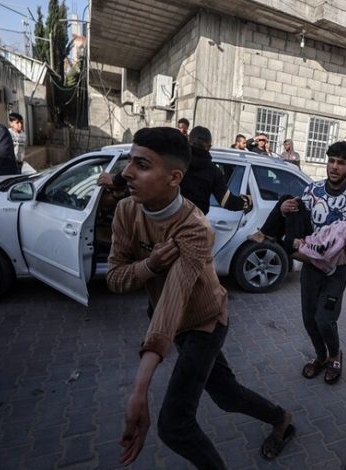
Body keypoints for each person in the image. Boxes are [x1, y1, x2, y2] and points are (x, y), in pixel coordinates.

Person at [107, 127, 295, 469]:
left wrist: (140, 389)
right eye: (129, 162)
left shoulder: (195, 228)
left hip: (204, 323)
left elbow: (174, 298)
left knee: (174, 426)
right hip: (170, 323)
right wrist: (150, 265)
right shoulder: (126, 211)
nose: (127, 173)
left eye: (142, 165)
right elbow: (115, 278)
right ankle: (281, 418)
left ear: (174, 177)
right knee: (226, 395)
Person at [283, 141, 346, 385]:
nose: (334, 167)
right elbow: (298, 222)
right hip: (311, 266)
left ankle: (334, 356)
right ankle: (321, 356)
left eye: (341, 163)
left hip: (337, 270)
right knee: (309, 318)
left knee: (325, 319)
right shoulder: (312, 191)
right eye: (331, 161)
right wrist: (283, 209)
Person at [97, 126, 252, 215]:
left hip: (160, 217)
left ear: (189, 140)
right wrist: (247, 201)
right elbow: (227, 202)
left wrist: (115, 180)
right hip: (191, 224)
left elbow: (141, 167)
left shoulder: (173, 160)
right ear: (209, 147)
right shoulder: (213, 171)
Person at [250, 201, 346, 274]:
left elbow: (324, 251)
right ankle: (266, 234)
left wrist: (300, 245)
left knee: (289, 201)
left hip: (302, 245)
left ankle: (264, 234)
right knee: (296, 203)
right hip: (310, 242)